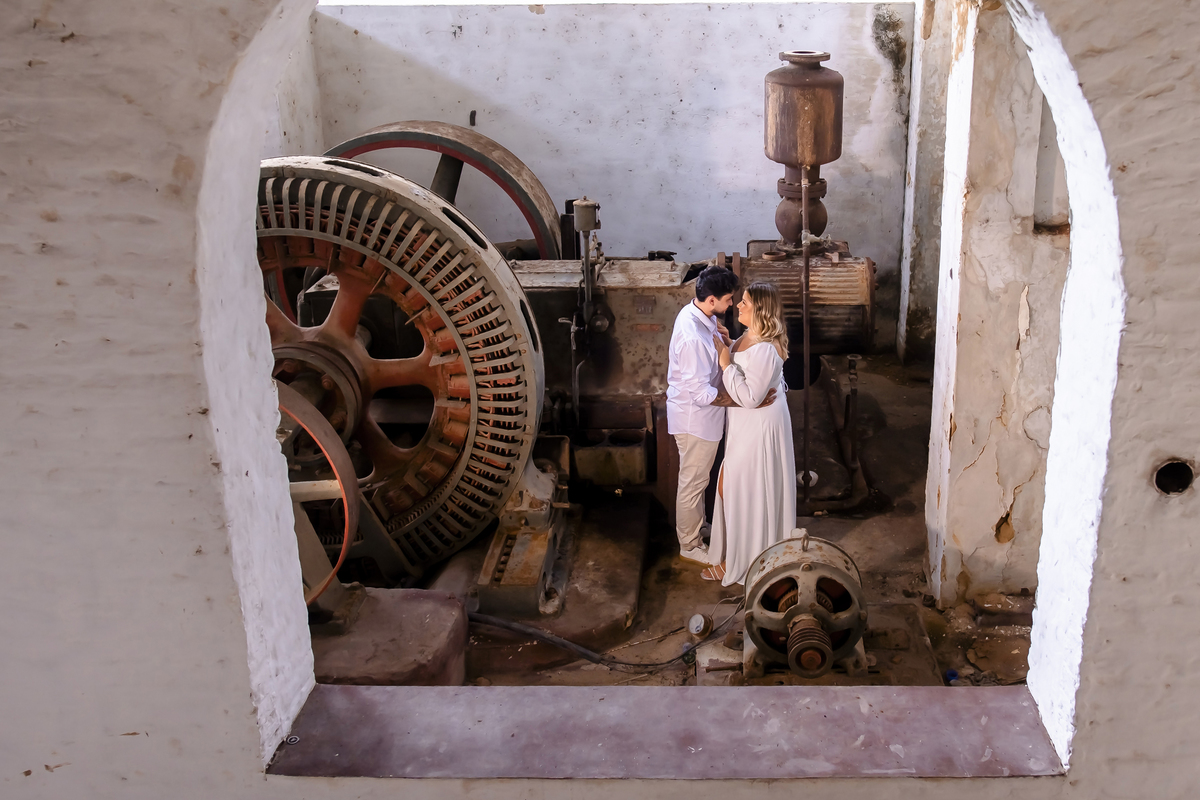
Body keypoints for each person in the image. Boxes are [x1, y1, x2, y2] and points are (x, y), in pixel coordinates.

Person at [666, 266, 775, 565]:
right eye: (728, 299)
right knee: (692, 483)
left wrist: (726, 342)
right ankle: (689, 545)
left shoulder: (701, 314)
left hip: (704, 418)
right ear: (711, 300)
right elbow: (701, 395)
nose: (732, 304)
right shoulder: (692, 337)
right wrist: (747, 401)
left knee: (699, 481)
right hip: (695, 421)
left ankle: (698, 527)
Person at [703, 281, 796, 585]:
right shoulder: (748, 335)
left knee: (743, 489)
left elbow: (750, 398)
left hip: (760, 426)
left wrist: (726, 363)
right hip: (745, 424)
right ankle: (737, 555)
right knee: (733, 487)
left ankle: (742, 561)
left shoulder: (766, 348)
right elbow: (750, 371)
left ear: (761, 310)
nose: (738, 306)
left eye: (745, 302)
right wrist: (729, 344)